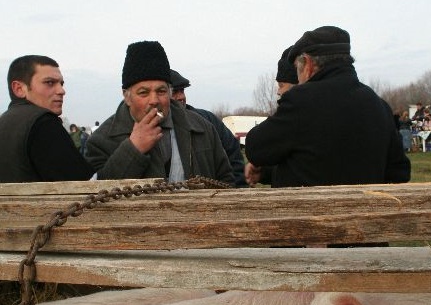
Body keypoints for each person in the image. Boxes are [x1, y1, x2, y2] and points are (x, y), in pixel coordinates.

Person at [244, 25, 411, 188]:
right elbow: (400, 172)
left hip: (309, 214)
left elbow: (255, 148)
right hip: (366, 213)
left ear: (307, 65)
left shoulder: (302, 101)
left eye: (297, 69)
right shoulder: (379, 105)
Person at [85, 41, 234, 185]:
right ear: (127, 96)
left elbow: (226, 180)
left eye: (161, 91)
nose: (154, 100)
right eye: (143, 92)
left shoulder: (202, 128)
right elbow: (97, 197)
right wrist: (133, 149)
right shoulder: (101, 141)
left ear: (169, 92)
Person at [0, 55, 94, 182]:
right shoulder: (42, 123)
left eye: (61, 83)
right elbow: (86, 185)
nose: (61, 91)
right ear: (19, 89)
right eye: (49, 83)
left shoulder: (5, 122)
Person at [170, 69, 246, 186]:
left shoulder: (207, 120)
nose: (181, 97)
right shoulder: (152, 127)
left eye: (182, 91)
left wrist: (237, 193)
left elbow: (233, 156)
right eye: (175, 92)